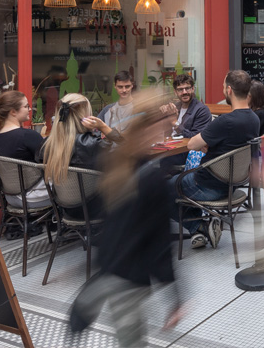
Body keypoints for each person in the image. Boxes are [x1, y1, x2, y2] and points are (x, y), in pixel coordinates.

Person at [70, 90, 183, 347]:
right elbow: (160, 242)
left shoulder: (115, 162)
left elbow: (112, 223)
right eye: (163, 125)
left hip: (110, 266)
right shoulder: (152, 176)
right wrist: (175, 295)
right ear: (150, 128)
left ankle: (85, 305)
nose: (165, 131)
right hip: (131, 276)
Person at [174, 70, 259, 250]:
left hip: (207, 186)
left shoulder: (225, 121)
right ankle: (201, 229)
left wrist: (205, 143)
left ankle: (199, 227)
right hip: (233, 184)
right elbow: (228, 143)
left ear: (229, 90)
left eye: (222, 87)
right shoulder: (254, 119)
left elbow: (191, 145)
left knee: (165, 187)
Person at [0, 90, 44, 161]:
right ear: (13, 112)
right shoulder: (28, 136)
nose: (30, 109)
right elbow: (49, 163)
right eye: (26, 106)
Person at [160, 74, 211, 138]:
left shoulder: (202, 110)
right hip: (170, 145)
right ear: (175, 92)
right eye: (180, 89)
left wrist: (175, 122)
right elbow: (163, 133)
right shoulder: (175, 107)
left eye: (187, 88)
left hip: (186, 147)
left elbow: (197, 138)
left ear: (192, 89)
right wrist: (164, 115)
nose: (184, 92)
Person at [97, 71, 135, 139]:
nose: (124, 90)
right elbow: (95, 129)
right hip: (111, 149)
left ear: (132, 85)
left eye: (127, 86)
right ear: (115, 86)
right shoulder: (107, 110)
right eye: (120, 87)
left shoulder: (140, 106)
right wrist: (101, 134)